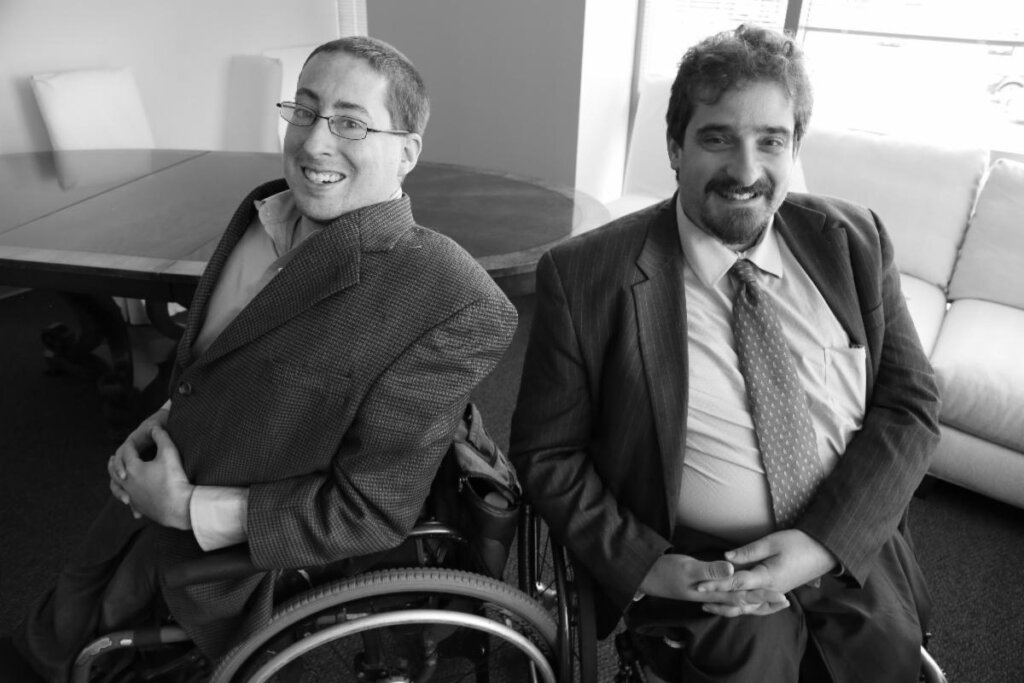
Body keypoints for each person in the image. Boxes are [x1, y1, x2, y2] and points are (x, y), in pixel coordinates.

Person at [15, 35, 517, 681]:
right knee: (56, 620)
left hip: (227, 561)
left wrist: (184, 507)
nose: (313, 143)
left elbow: (368, 512)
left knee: (86, 649)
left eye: (350, 122)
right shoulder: (262, 210)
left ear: (407, 152)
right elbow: (218, 362)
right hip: (151, 483)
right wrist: (162, 416)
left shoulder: (450, 302)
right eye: (303, 111)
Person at [511, 24, 939, 683]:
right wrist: (648, 565)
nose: (746, 170)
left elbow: (908, 404)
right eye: (717, 137)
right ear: (676, 147)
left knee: (884, 661)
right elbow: (548, 453)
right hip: (700, 568)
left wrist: (822, 543)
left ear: (795, 147)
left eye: (771, 141)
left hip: (848, 535)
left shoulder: (854, 242)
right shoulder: (584, 276)